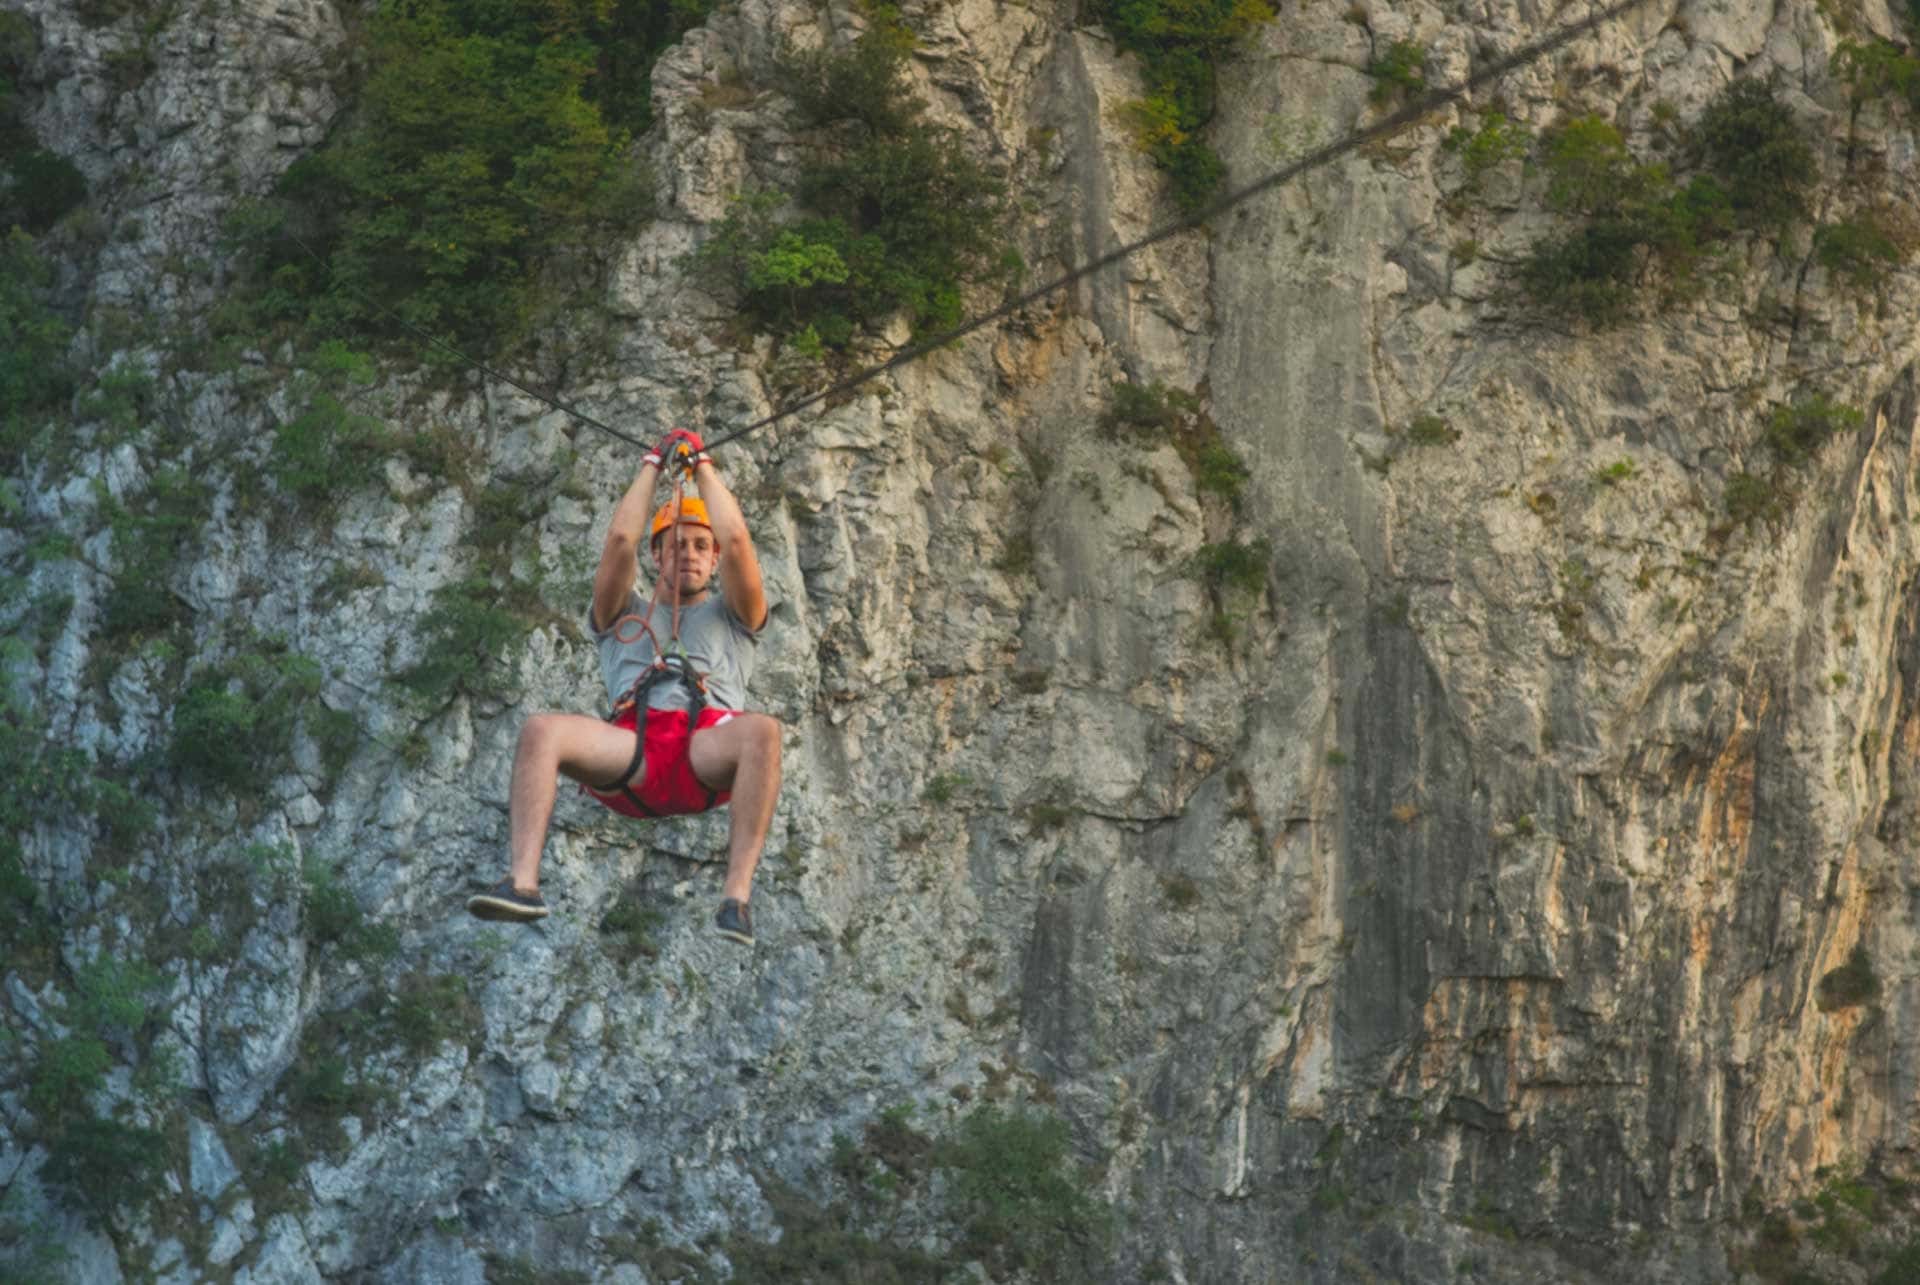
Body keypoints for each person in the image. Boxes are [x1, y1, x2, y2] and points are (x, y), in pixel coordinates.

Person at [466, 427, 781, 945]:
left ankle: (737, 901)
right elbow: (618, 542)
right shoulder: (622, 613)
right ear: (656, 556)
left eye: (703, 546)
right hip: (634, 747)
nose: (690, 553)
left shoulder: (738, 616)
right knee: (543, 730)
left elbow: (740, 540)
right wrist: (650, 466)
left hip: (706, 744)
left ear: (716, 558)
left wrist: (702, 465)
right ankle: (522, 883)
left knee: (763, 732)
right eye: (676, 544)